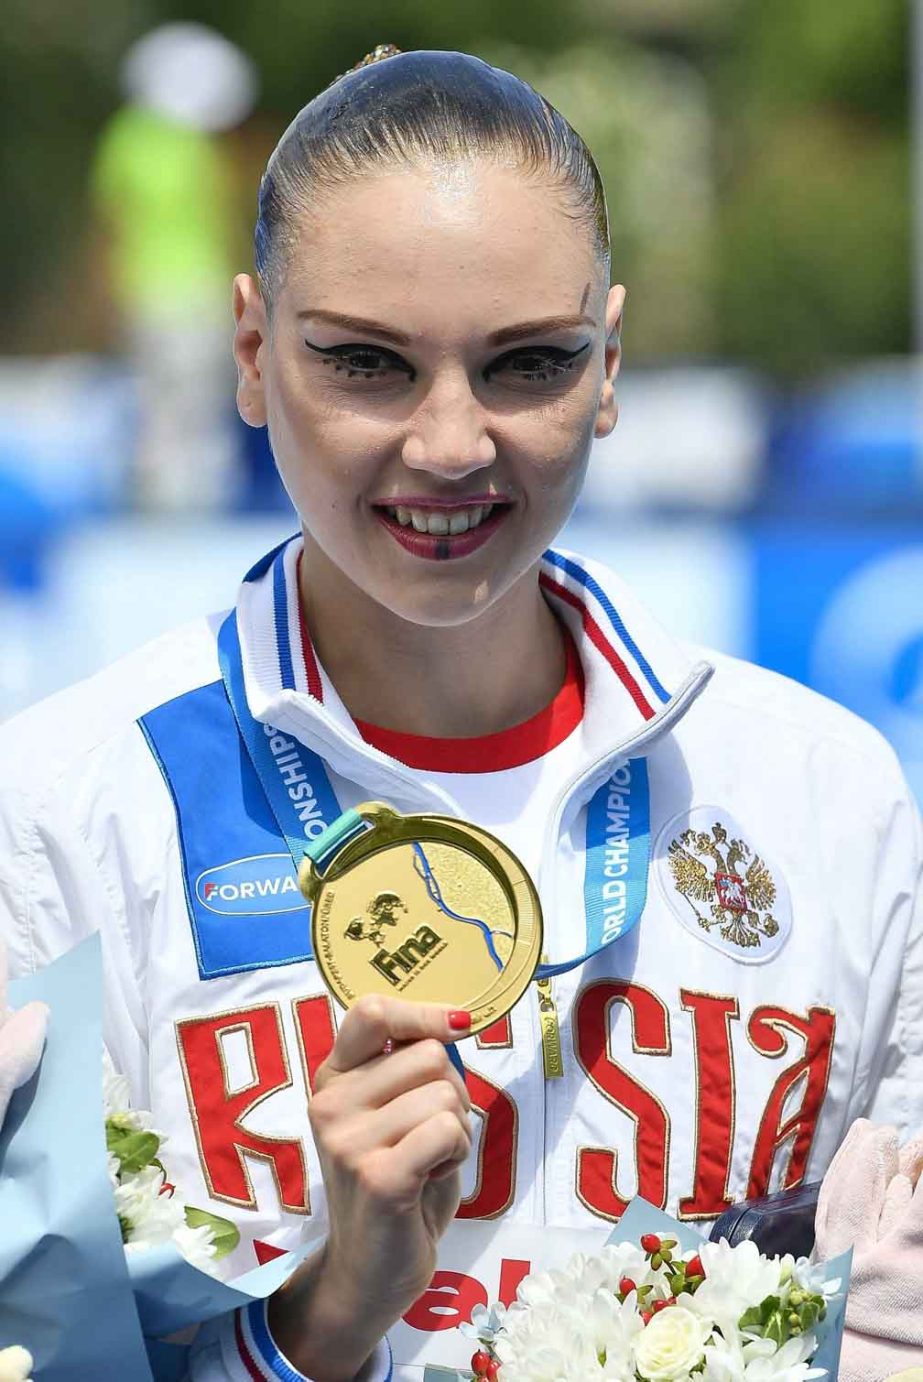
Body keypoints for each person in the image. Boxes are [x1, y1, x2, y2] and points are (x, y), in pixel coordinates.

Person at [1, 45, 921, 1382]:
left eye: (528, 363)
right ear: (252, 352)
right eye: (367, 363)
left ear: (610, 360)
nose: (448, 443)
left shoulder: (823, 792)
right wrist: (310, 1326)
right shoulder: (65, 808)